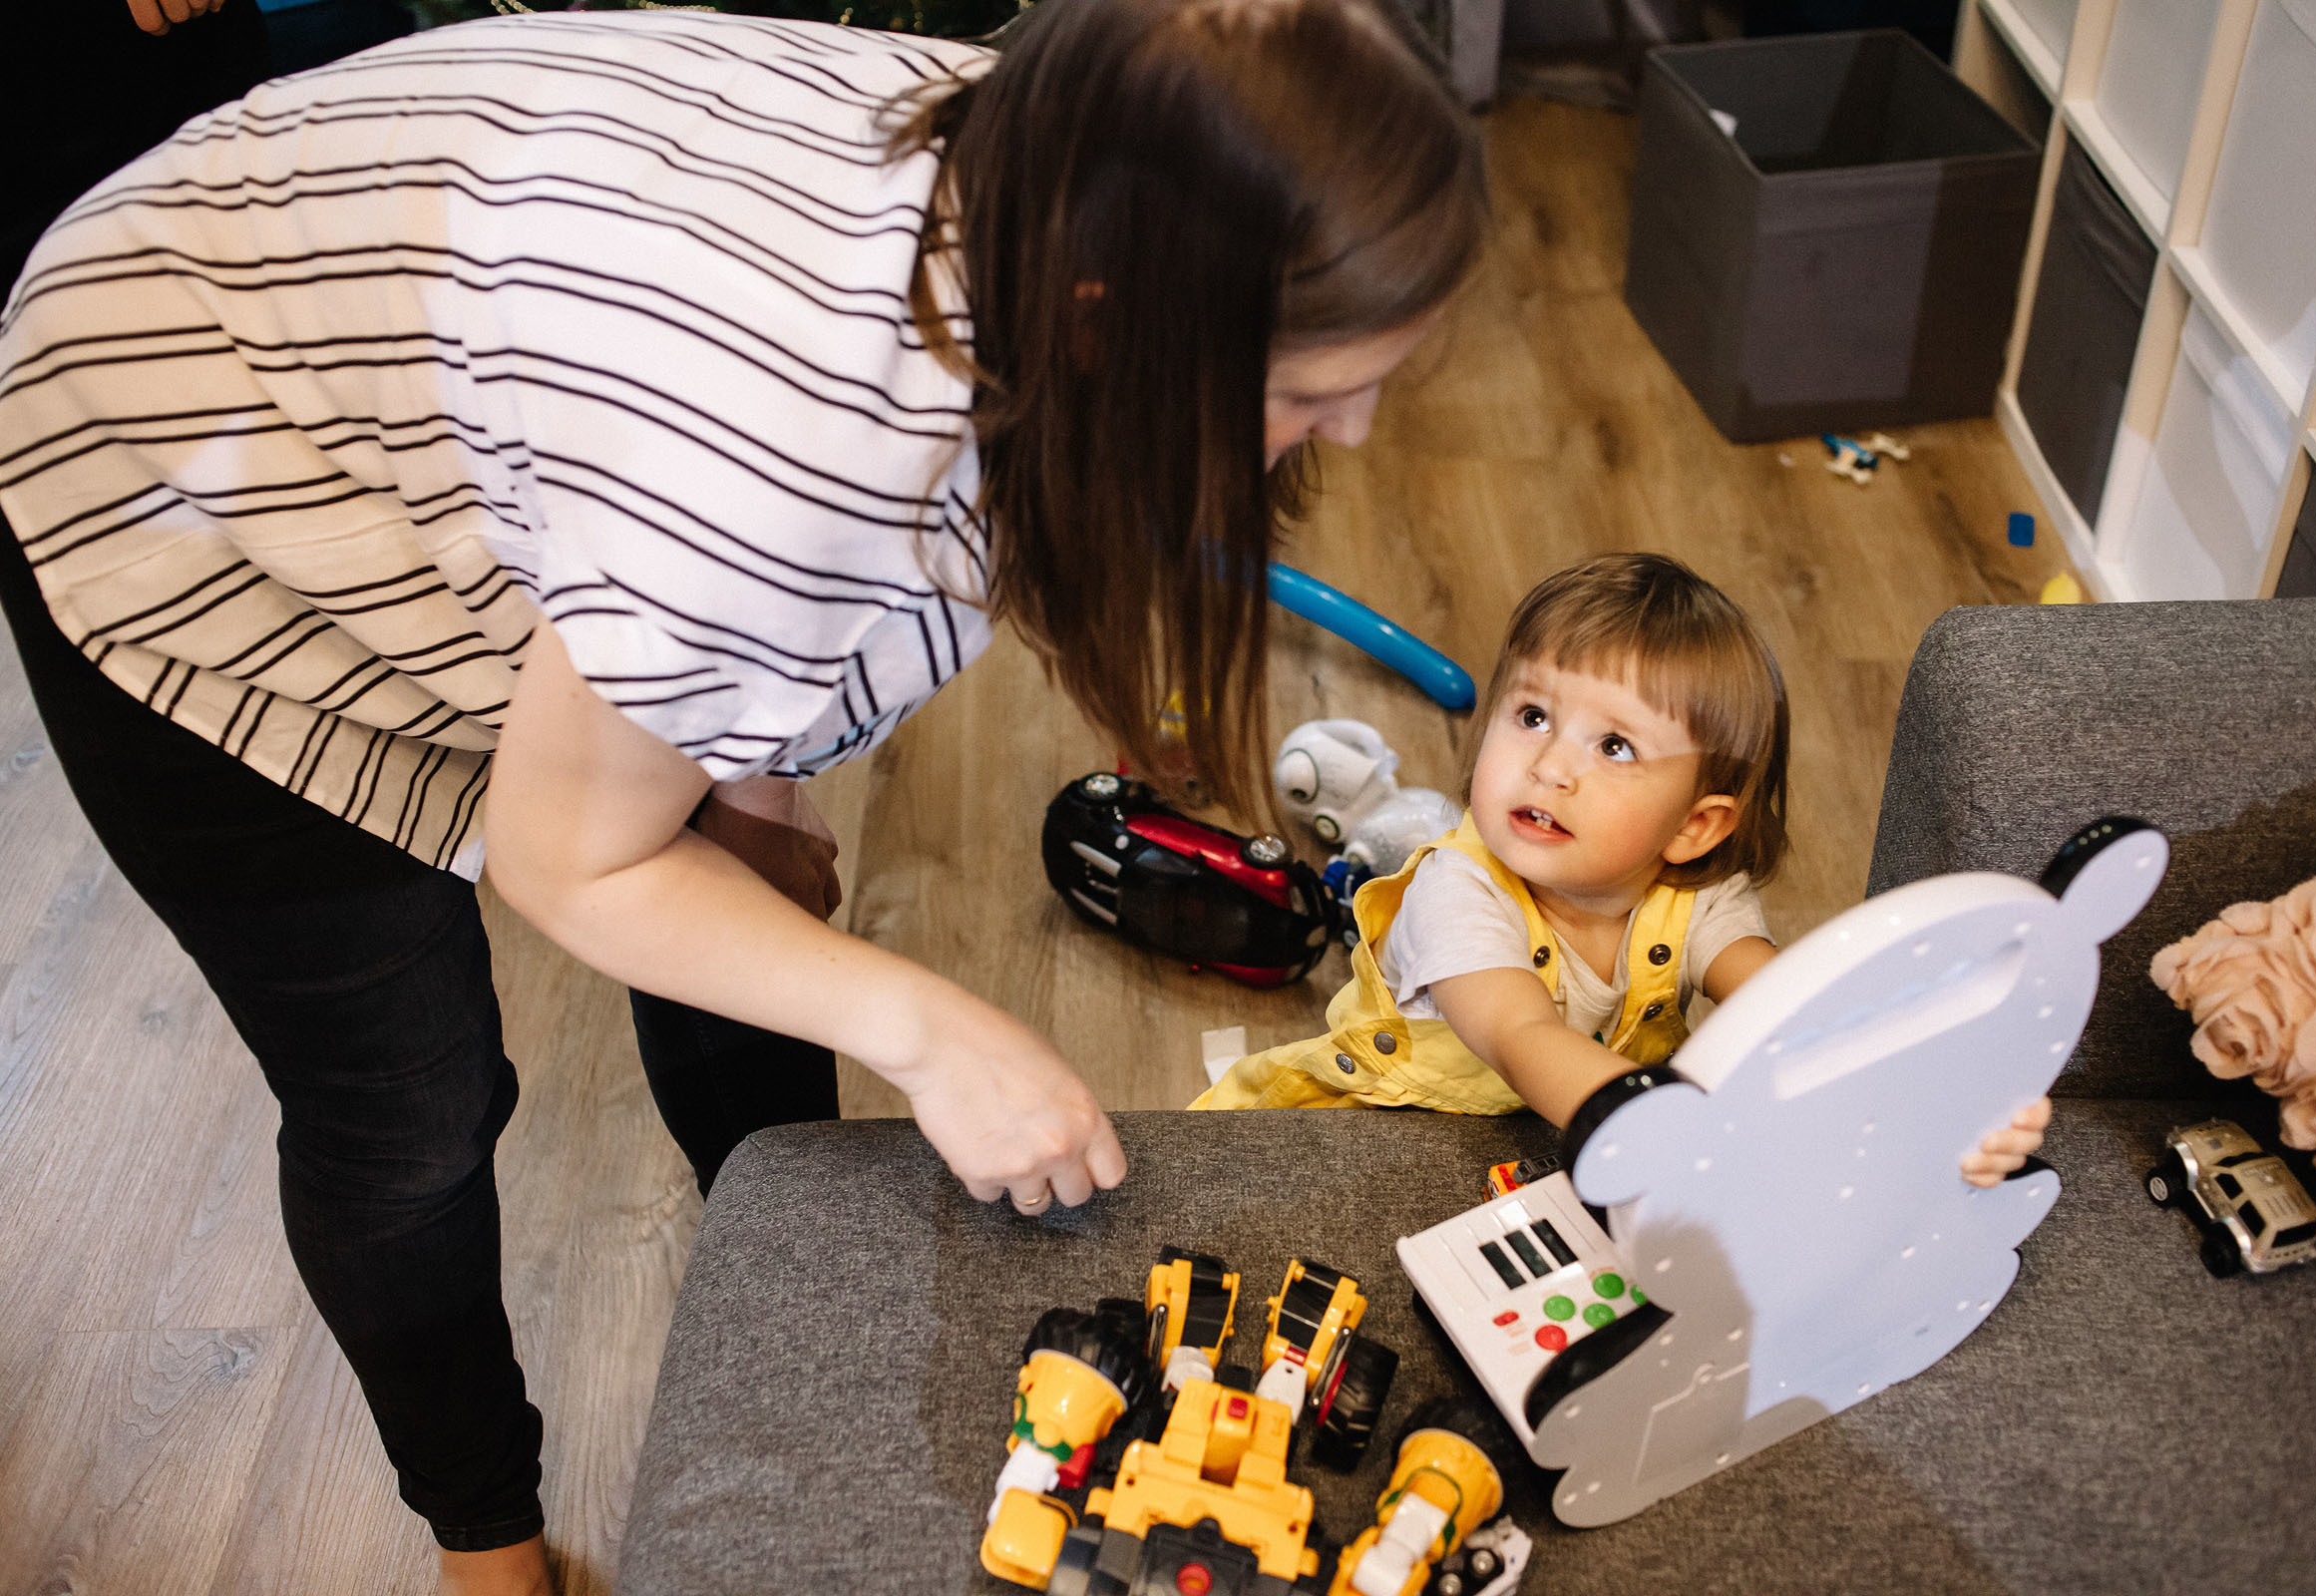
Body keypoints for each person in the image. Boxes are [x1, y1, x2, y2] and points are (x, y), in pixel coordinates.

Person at [0, 2, 1485, 1590]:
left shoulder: (1069, 171)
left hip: (488, 401)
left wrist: (751, 772)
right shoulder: (787, 480)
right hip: (181, 471)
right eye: (1310, 389)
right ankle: (487, 1544)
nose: (1356, 430)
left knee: (756, 920)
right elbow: (573, 866)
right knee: (408, 1112)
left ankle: (787, 1313)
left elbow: (674, 512)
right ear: (1113, 315)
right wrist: (934, 1026)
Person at [1193, 555, 2051, 1185]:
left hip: (1546, 1148)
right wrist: (1686, 1133)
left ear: (1693, 827)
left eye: (1613, 744)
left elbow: (1792, 1011)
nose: (1551, 768)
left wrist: (1929, 1105)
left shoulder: (1699, 895)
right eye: (1531, 714)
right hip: (1362, 1137)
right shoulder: (1456, 891)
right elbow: (1525, 1039)